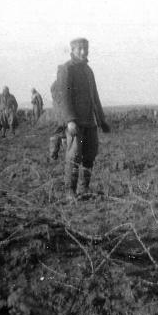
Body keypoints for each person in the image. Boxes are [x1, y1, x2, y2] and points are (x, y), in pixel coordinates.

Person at [57, 37, 111, 197]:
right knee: (74, 155)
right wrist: (70, 120)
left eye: (85, 48)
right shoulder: (66, 69)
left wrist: (102, 120)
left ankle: (84, 188)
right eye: (79, 48)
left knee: (90, 154)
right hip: (75, 122)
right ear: (72, 50)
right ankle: (70, 191)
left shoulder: (88, 70)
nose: (83, 51)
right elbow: (64, 97)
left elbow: (95, 97)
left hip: (90, 121)